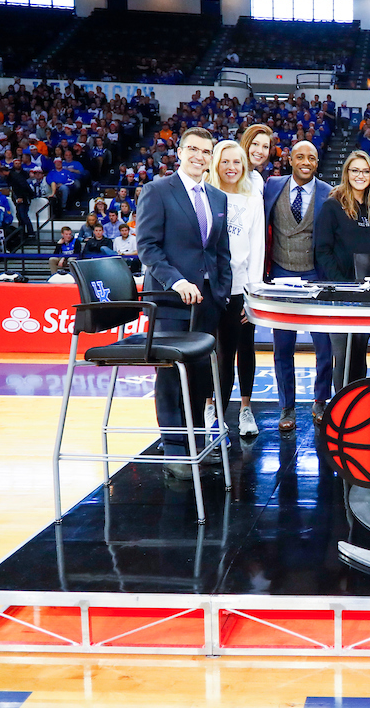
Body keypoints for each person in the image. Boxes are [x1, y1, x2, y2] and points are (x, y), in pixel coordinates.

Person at [137, 128, 232, 481]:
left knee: (199, 375)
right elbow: (147, 247)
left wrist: (221, 292)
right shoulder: (157, 191)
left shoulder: (217, 198)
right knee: (170, 375)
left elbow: (221, 251)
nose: (199, 156)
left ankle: (192, 445)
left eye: (206, 152)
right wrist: (176, 281)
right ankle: (174, 449)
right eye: (192, 149)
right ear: (179, 152)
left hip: (208, 300)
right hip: (169, 299)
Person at [201, 128, 269, 438]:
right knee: (211, 352)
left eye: (237, 162)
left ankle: (242, 410)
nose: (231, 167)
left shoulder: (252, 197)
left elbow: (257, 248)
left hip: (240, 289)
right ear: (215, 164)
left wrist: (253, 294)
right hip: (209, 288)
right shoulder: (205, 193)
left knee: (239, 350)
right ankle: (210, 408)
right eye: (225, 161)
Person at [263, 140, 333, 431]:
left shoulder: (329, 193)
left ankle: (320, 400)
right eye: (300, 156)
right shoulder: (271, 186)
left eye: (312, 158)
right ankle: (286, 407)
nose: (306, 161)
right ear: (290, 159)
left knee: (324, 345)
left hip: (315, 275)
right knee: (282, 347)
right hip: (280, 274)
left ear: (317, 163)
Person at [316, 151, 370, 390]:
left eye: (365, 171)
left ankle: (357, 408)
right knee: (343, 357)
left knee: (360, 354)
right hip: (341, 292)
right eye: (355, 170)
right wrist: (342, 284)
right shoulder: (333, 206)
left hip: (366, 293)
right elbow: (322, 250)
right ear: (347, 173)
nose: (360, 175)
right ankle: (341, 410)